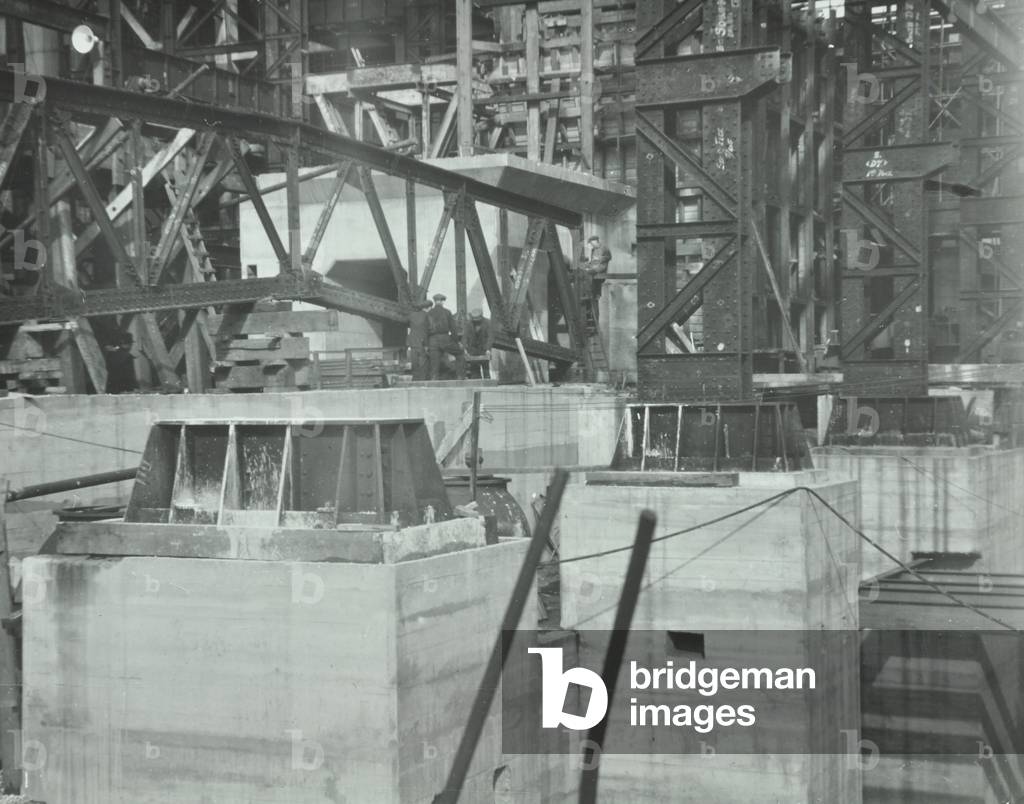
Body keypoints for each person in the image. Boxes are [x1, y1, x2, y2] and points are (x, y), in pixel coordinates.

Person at [426, 292, 464, 379]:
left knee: (434, 362)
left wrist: (427, 343)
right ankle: (460, 376)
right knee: (460, 354)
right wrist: (457, 342)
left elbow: (425, 330)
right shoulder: (447, 312)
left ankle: (434, 378)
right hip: (445, 339)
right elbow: (453, 329)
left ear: (435, 301)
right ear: (442, 301)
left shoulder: (429, 313)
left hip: (432, 340)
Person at [406, 298, 433, 380]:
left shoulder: (412, 315)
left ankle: (415, 380)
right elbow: (431, 328)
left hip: (412, 342)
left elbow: (408, 324)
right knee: (423, 363)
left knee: (414, 362)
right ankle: (423, 380)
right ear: (428, 307)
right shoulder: (427, 316)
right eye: (431, 308)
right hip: (422, 342)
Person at [462, 308, 493, 379]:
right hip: (472, 350)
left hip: (484, 350)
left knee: (486, 370)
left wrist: (488, 349)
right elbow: (464, 337)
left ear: (481, 317)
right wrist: (464, 349)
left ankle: (487, 386)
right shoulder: (468, 324)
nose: (476, 322)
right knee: (475, 373)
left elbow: (490, 337)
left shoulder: (488, 323)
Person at [579, 234, 611, 300]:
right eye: (590, 244)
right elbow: (593, 261)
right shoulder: (593, 250)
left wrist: (600, 259)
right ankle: (592, 293)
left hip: (601, 268)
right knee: (583, 271)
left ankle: (591, 293)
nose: (591, 245)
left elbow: (609, 257)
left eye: (592, 243)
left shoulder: (604, 248)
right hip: (594, 267)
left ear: (596, 241)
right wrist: (587, 264)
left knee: (589, 273)